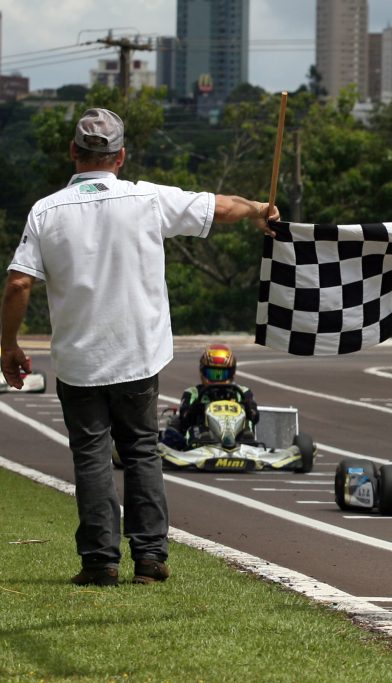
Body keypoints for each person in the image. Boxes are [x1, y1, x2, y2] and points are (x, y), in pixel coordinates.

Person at [0, 108, 279, 586]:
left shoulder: (45, 211)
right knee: (142, 452)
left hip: (79, 362)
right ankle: (150, 558)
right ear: (121, 156)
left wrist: (8, 345)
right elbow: (221, 206)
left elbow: (19, 285)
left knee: (90, 458)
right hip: (137, 355)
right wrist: (258, 209)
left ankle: (99, 562)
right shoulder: (147, 198)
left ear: (74, 153)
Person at [161, 343, 259, 449]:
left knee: (247, 430)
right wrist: (197, 407)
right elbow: (185, 419)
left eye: (222, 374)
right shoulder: (193, 393)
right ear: (203, 371)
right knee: (182, 428)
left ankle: (247, 446)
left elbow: (254, 416)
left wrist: (247, 408)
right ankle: (198, 446)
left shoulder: (242, 393)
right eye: (212, 374)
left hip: (237, 437)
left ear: (231, 373)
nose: (218, 379)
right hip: (203, 439)